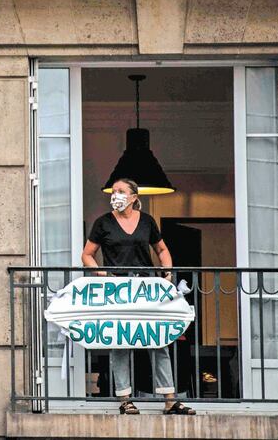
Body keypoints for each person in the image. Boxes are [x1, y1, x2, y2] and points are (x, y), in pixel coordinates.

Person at [81, 178, 195, 415]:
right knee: (120, 342)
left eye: (121, 191)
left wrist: (167, 274)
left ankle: (170, 400)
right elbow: (87, 255)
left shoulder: (147, 222)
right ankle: (125, 399)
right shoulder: (103, 223)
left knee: (158, 340)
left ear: (134, 197)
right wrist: (105, 275)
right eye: (113, 192)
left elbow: (162, 250)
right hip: (118, 291)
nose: (116, 195)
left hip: (147, 289)